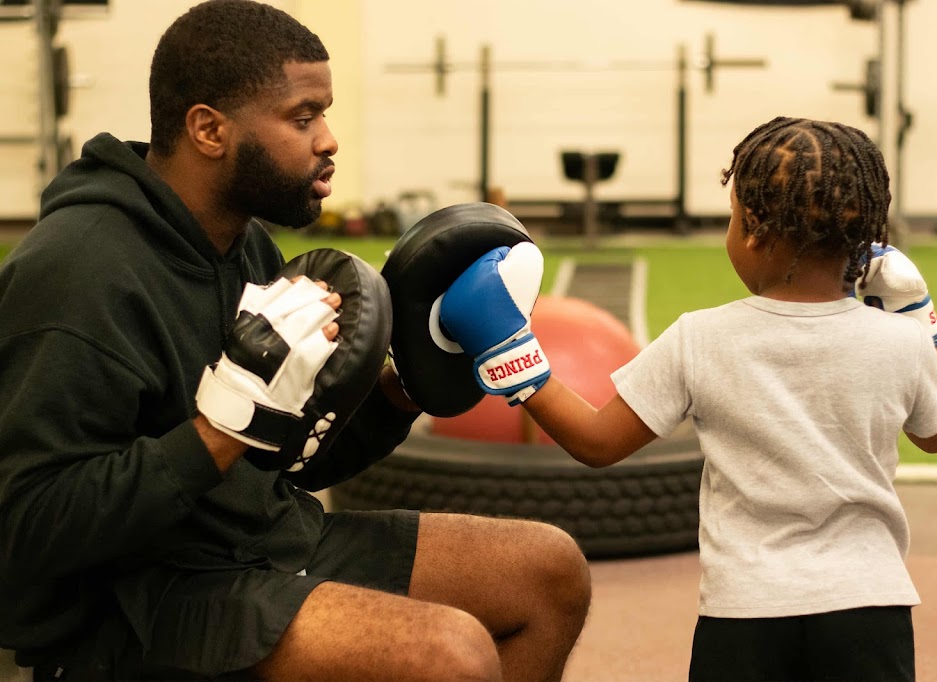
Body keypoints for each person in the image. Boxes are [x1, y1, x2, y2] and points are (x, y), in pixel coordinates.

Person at [0, 2, 591, 680]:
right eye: (303, 117)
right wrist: (219, 432)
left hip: (258, 544)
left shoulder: (243, 245)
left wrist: (402, 388)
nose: (330, 139)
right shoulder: (77, 273)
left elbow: (289, 464)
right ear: (209, 129)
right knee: (449, 654)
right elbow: (27, 526)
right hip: (136, 604)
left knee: (549, 573)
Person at [440, 116, 937, 681]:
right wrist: (920, 318)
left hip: (747, 613)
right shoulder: (900, 342)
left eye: (733, 218)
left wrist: (510, 353)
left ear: (754, 229)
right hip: (871, 608)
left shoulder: (701, 338)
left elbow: (597, 442)